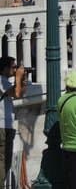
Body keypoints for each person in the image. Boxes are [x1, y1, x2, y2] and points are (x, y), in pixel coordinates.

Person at [0, 57, 25, 186]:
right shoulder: (1, 81)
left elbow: (20, 92)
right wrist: (18, 77)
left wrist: (22, 79)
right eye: (13, 67)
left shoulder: (5, 81)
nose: (15, 69)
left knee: (6, 162)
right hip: (2, 127)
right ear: (4, 68)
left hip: (6, 126)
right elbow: (16, 93)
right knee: (4, 161)